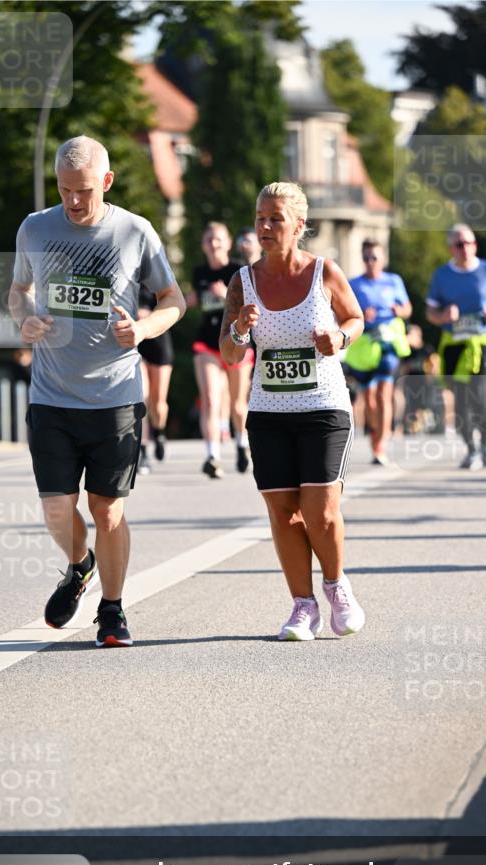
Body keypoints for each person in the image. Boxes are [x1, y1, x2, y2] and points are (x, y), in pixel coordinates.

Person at [8, 135, 185, 647]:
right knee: (57, 509)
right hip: (51, 395)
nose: (74, 201)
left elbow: (174, 299)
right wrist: (25, 321)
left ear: (106, 182)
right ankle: (78, 565)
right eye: (65, 190)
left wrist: (146, 329)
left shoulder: (134, 231)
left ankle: (112, 610)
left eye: (84, 190)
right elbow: (18, 292)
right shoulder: (35, 228)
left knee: (108, 509)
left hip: (115, 397)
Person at [220, 181, 365, 641]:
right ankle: (303, 607)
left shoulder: (324, 272)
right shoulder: (243, 282)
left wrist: (340, 339)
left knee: (320, 512)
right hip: (269, 412)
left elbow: (356, 318)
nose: (264, 226)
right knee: (284, 513)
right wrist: (241, 328)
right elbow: (227, 353)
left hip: (323, 407)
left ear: (299, 226)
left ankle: (336, 586)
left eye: (275, 219)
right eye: (260, 217)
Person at [426, 224, 486, 470]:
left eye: (468, 243)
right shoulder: (442, 275)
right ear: (451, 248)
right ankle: (471, 449)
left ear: (475, 245)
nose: (464, 248)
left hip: (483, 342)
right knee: (462, 400)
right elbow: (430, 312)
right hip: (454, 344)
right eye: (458, 244)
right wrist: (443, 315)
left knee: (479, 393)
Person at [188, 222, 254, 479]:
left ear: (228, 243)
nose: (214, 244)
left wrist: (226, 294)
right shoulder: (199, 272)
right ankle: (213, 455)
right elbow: (196, 301)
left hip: (236, 341)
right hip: (207, 343)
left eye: (218, 239)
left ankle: (241, 445)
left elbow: (250, 304)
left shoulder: (238, 271)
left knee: (238, 405)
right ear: (204, 245)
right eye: (209, 240)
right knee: (211, 400)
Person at [344, 239, 412, 465]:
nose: (370, 262)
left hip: (388, 343)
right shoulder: (354, 284)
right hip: (365, 346)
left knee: (384, 392)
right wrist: (363, 315)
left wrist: (399, 310)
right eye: (366, 258)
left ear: (383, 259)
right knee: (370, 399)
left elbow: (407, 308)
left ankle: (381, 443)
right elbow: (344, 313)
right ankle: (375, 436)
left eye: (374, 257)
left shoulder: (394, 281)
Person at [136, 285, 174, 474]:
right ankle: (142, 452)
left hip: (158, 342)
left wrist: (150, 316)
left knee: (158, 403)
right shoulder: (123, 273)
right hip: (135, 342)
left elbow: (173, 306)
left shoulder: (158, 275)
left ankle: (159, 433)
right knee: (141, 396)